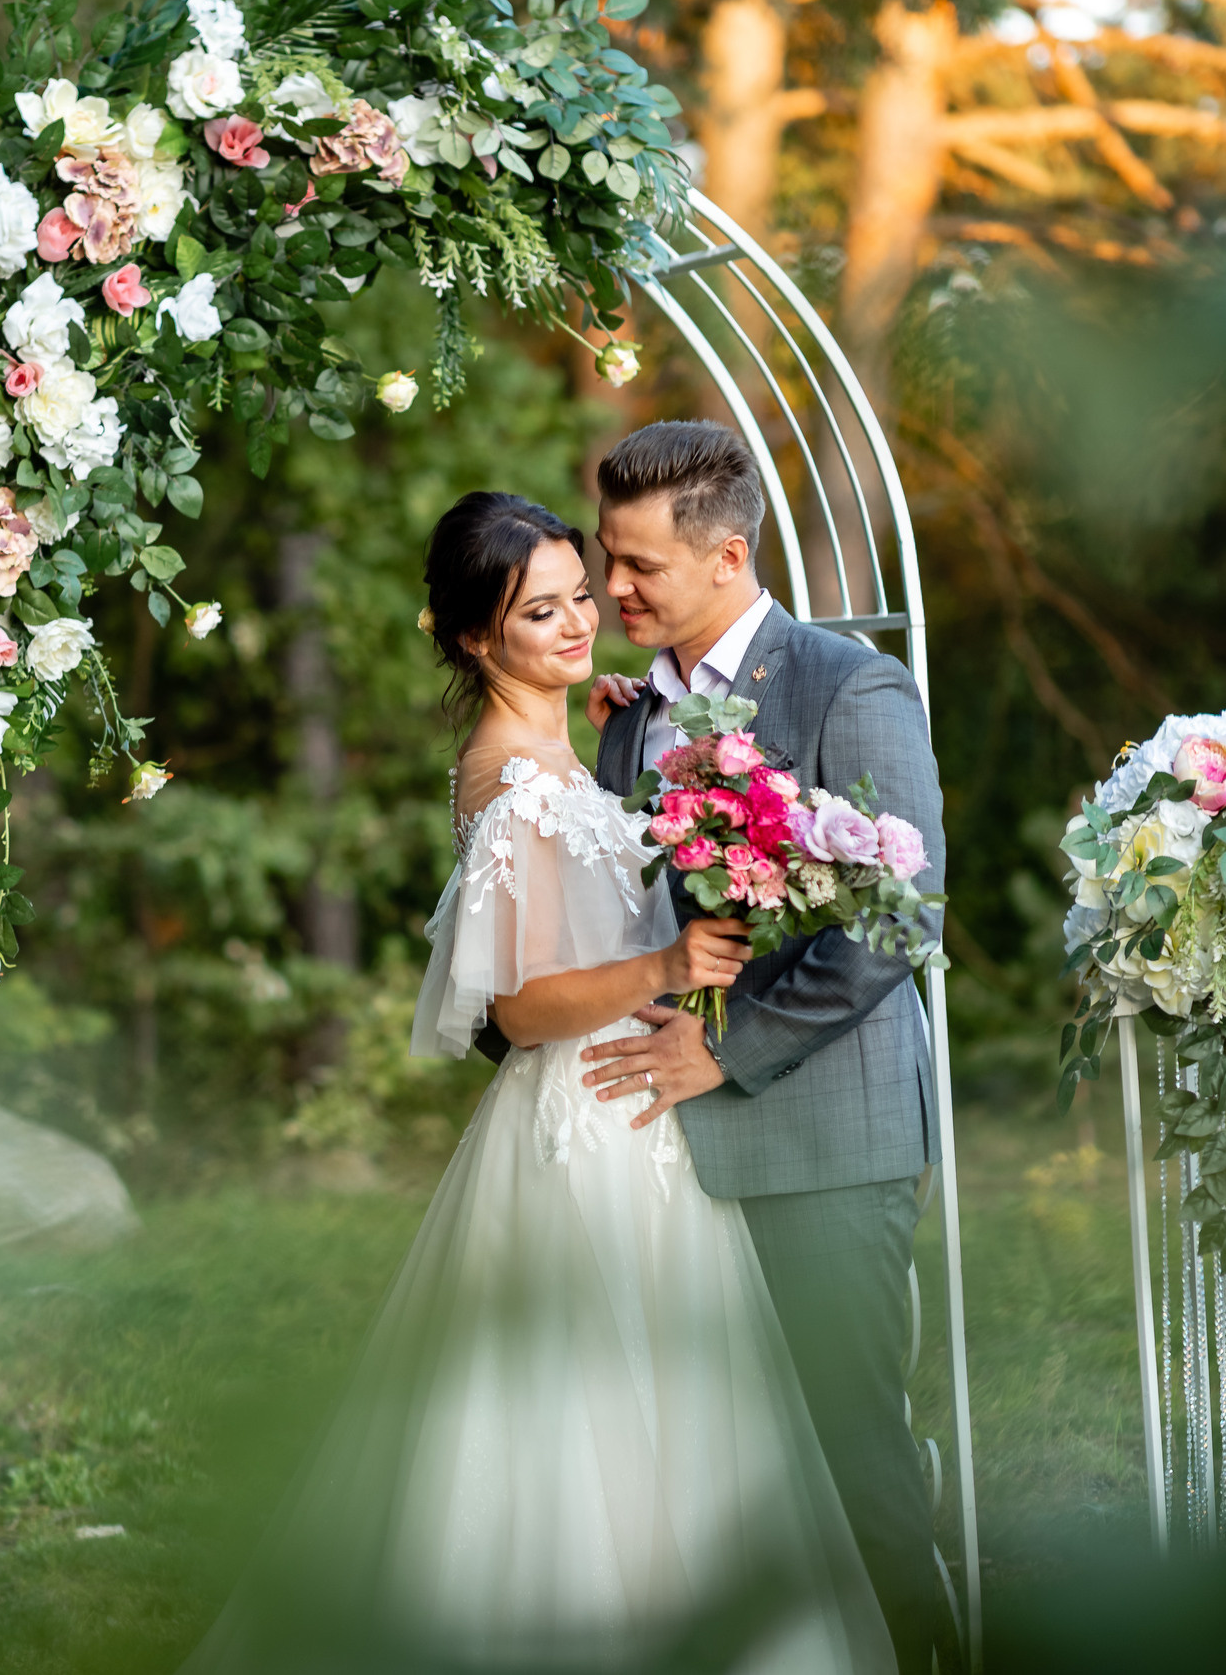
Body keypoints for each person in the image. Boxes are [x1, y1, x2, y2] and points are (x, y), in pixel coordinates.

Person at [181, 491, 897, 1675]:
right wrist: (665, 966)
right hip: (583, 1118)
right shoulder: (509, 780)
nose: (576, 625)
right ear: (473, 636)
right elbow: (518, 1006)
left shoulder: (584, 735)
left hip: (640, 1112)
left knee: (677, 1415)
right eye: (538, 611)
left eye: (579, 595)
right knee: (582, 1419)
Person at [570, 420, 957, 1674]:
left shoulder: (846, 687)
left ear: (728, 553)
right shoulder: (630, 720)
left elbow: (900, 920)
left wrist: (725, 1056)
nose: (611, 589)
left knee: (853, 1455)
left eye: (638, 566)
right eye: (604, 558)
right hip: (665, 1158)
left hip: (823, 1138)